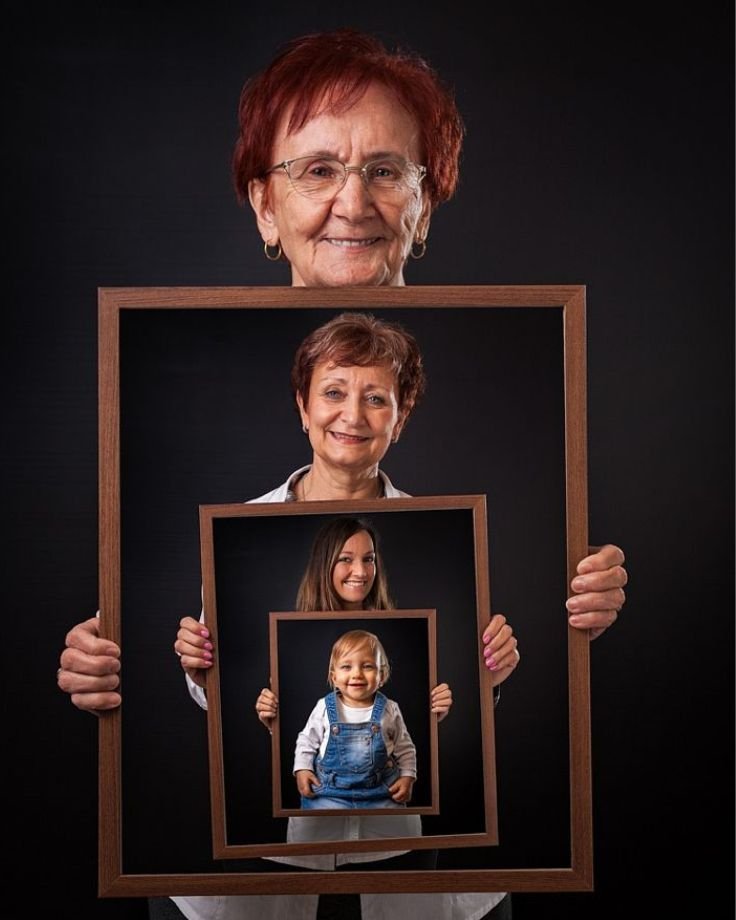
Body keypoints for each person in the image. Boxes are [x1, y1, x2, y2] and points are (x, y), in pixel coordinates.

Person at [56, 26, 628, 920]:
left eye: (386, 171)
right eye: (316, 169)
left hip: (440, 880)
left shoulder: (507, 493)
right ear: (262, 204)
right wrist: (110, 668)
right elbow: (218, 672)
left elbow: (507, 690)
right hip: (248, 885)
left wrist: (583, 621)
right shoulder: (221, 518)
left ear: (424, 203)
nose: (351, 201)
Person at [295, 629, 417, 811]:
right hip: (329, 791)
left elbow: (405, 747)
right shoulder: (324, 707)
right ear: (334, 677)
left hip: (381, 790)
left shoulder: (389, 709)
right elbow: (307, 741)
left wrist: (408, 776)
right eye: (346, 667)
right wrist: (303, 769)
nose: (357, 674)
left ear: (381, 676)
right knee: (314, 829)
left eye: (367, 666)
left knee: (397, 829)